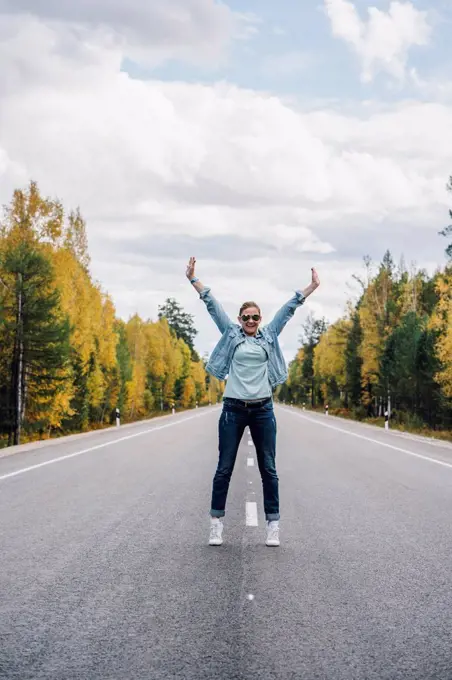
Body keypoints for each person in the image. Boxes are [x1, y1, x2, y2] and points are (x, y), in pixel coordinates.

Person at [186, 256, 320, 547]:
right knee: (224, 468)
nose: (250, 321)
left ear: (260, 320)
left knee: (268, 469)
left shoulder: (269, 335)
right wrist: (194, 280)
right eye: (245, 317)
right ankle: (216, 524)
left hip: (263, 410)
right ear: (239, 320)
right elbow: (213, 306)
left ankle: (273, 525)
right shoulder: (231, 333)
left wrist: (310, 287)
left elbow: (288, 310)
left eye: (255, 317)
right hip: (233, 410)